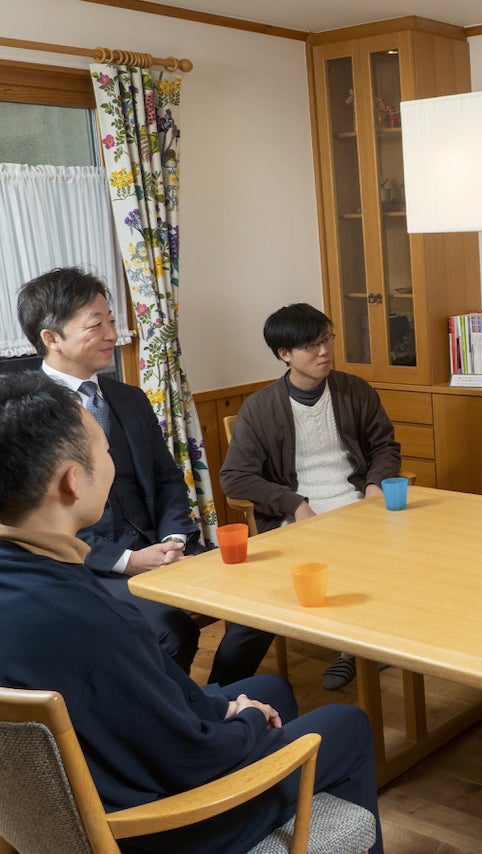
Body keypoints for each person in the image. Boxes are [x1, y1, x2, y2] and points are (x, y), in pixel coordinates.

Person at [0, 371, 383, 854]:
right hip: (159, 826)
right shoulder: (98, 624)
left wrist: (228, 709)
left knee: (271, 690)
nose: (112, 462)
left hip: (68, 801)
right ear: (73, 481)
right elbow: (189, 757)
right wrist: (245, 723)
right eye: (105, 451)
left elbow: (148, 704)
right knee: (347, 725)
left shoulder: (34, 574)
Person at [17, 267, 273, 686]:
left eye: (112, 321)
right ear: (52, 338)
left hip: (163, 548)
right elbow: (37, 520)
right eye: (96, 325)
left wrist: (174, 539)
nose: (113, 335)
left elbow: (167, 478)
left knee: (262, 603)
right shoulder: (28, 413)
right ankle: (179, 715)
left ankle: (216, 698)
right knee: (172, 632)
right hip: (90, 568)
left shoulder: (129, 398)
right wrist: (130, 561)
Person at [220, 303, 401, 690]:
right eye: (312, 345)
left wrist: (374, 485)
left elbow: (385, 447)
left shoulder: (354, 390)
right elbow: (234, 478)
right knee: (261, 602)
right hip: (298, 520)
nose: (324, 351)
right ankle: (352, 647)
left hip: (357, 505)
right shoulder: (261, 407)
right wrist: (294, 504)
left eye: (327, 340)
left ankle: (357, 648)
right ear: (284, 353)